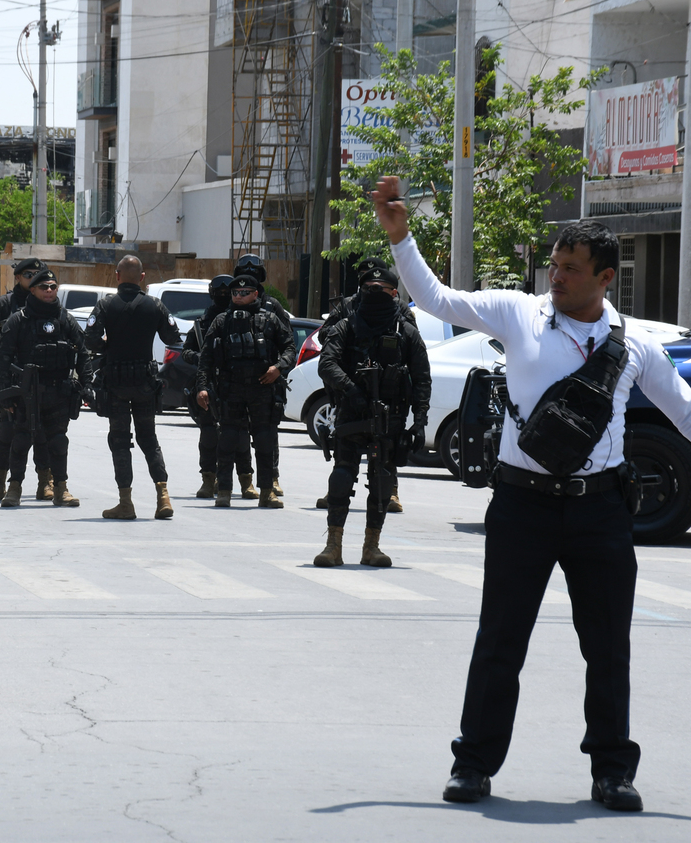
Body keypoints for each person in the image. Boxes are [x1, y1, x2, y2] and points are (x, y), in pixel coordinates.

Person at [373, 175, 691, 811]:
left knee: (607, 647)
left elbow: (684, 411)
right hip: (522, 506)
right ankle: (473, 764)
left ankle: (612, 771)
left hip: (602, 509)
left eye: (571, 269)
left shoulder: (635, 345)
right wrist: (402, 238)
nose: (557, 277)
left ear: (605, 277)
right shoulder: (519, 313)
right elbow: (437, 299)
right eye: (554, 264)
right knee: (501, 640)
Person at [312, 261, 430, 568]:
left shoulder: (406, 331)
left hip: (390, 418)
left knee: (382, 482)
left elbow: (422, 378)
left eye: (381, 288)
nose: (374, 292)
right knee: (341, 477)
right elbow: (327, 363)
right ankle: (333, 546)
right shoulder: (346, 326)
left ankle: (371, 547)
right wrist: (351, 389)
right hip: (352, 413)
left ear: (394, 293)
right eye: (368, 288)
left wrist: (420, 421)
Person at [84, 254, 183, 520]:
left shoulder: (106, 305)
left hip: (116, 383)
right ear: (142, 277)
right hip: (144, 383)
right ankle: (163, 497)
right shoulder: (155, 305)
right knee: (148, 439)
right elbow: (172, 337)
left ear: (117, 276)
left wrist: (110, 347)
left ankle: (125, 503)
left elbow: (90, 339)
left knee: (119, 441)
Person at [195, 272, 295, 508]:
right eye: (235, 293)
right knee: (227, 440)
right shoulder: (222, 321)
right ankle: (224, 491)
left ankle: (267, 491)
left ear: (255, 294)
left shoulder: (270, 319)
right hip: (231, 388)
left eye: (244, 293)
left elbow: (290, 347)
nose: (238, 296)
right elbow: (206, 358)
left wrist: (278, 368)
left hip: (262, 387)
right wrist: (202, 387)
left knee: (264, 440)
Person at [0, 267, 88, 508]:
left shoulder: (65, 319)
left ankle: (60, 488)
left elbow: (83, 353)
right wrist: (4, 395)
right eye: (44, 287)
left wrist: (86, 385)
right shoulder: (19, 320)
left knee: (58, 442)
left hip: (59, 392)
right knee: (21, 441)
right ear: (33, 290)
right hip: (26, 393)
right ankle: (14, 488)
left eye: (53, 287)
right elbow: (3, 359)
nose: (49, 291)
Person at [0, 258, 51, 501]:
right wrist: (1, 352)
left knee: (44, 432)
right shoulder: (4, 304)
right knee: (7, 430)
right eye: (28, 274)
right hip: (12, 375)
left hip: (41, 378)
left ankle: (47, 481)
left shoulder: (47, 303)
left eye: (38, 273)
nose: (34, 278)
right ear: (18, 277)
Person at [183, 274, 258, 500]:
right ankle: (208, 479)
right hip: (209, 383)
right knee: (209, 435)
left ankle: (246, 480)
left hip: (235, 384)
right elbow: (186, 351)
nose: (225, 296)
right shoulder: (204, 322)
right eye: (220, 292)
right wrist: (201, 358)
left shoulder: (243, 319)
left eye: (229, 292)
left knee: (241, 435)